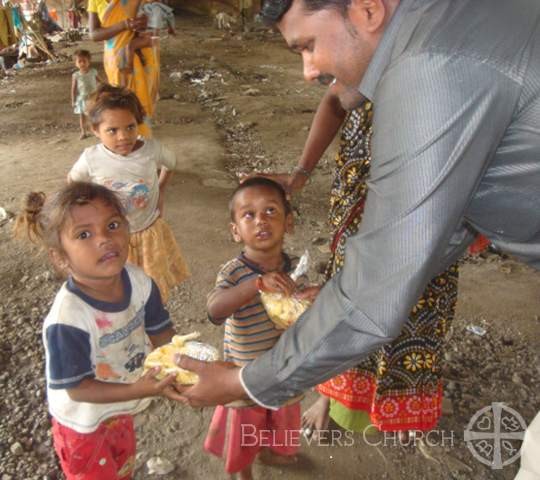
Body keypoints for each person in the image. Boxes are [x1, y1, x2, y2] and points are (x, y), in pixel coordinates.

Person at [173, 0, 540, 410]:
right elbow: (431, 231)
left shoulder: (429, 68)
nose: (309, 71)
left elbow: (379, 284)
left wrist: (245, 382)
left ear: (366, 10)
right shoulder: (446, 21)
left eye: (308, 46)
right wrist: (339, 289)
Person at [13, 182, 183, 480]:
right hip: (82, 423)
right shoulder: (69, 319)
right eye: (84, 234)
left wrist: (180, 366)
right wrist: (137, 389)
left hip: (121, 404)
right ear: (61, 258)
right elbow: (78, 388)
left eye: (113, 224)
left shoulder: (140, 282)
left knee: (123, 466)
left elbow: (161, 332)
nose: (105, 239)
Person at [203, 177, 318, 480]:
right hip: (243, 377)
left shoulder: (296, 270)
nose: (260, 221)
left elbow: (305, 321)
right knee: (243, 431)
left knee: (277, 421)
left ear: (288, 222)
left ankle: (269, 452)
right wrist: (255, 285)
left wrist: (314, 300)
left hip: (283, 374)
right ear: (235, 231)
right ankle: (243, 473)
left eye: (270, 211)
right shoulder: (234, 271)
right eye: (248, 215)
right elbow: (215, 310)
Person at [68, 84, 189, 302]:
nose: (123, 136)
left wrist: (161, 191)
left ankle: (151, 319)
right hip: (113, 237)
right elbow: (73, 183)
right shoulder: (91, 158)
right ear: (95, 130)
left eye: (130, 127)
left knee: (151, 288)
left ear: (138, 124)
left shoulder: (152, 150)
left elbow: (171, 163)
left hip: (147, 231)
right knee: (119, 287)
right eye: (112, 131)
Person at [88, 0, 158, 137]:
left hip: (140, 55)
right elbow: (94, 34)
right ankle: (125, 137)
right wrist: (125, 25)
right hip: (114, 59)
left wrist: (133, 44)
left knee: (140, 101)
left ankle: (142, 137)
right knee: (121, 101)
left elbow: (155, 30)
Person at [71, 49, 104, 139]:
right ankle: (83, 132)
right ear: (76, 63)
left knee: (93, 115)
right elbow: (73, 88)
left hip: (93, 97)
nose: (82, 63)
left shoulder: (93, 72)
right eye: (79, 61)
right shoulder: (76, 75)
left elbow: (101, 82)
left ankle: (96, 131)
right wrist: (73, 100)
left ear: (89, 61)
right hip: (82, 98)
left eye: (84, 61)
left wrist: (104, 91)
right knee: (82, 116)